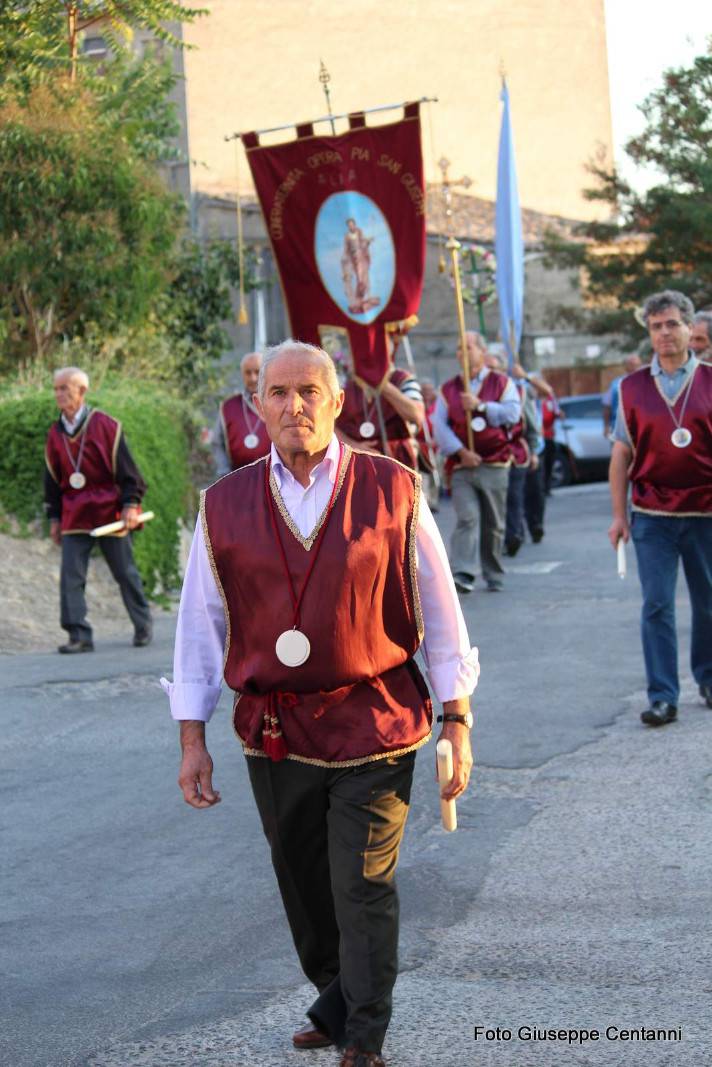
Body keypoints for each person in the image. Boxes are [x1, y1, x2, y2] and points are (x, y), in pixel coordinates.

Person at [162, 340, 478, 1067]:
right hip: (276, 731)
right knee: (306, 890)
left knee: (361, 881)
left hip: (377, 720)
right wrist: (191, 737)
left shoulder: (394, 488)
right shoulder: (224, 504)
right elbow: (199, 629)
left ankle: (364, 1032)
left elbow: (439, 607)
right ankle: (337, 993)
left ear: (339, 402)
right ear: (258, 405)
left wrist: (457, 719)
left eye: (310, 390)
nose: (294, 404)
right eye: (278, 391)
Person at [608, 290, 712, 727]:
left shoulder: (710, 380)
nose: (665, 333)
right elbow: (620, 455)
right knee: (656, 605)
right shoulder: (630, 388)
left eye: (672, 324)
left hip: (706, 511)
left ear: (690, 328)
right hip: (652, 514)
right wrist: (618, 515)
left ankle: (708, 680)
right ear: (649, 333)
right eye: (656, 326)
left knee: (708, 603)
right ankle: (663, 696)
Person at [44, 367, 152, 653]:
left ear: (82, 391)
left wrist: (130, 504)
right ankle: (79, 635)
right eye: (56, 389)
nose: (59, 394)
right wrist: (54, 518)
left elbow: (130, 473)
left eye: (64, 388)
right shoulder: (55, 433)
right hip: (74, 513)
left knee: (125, 572)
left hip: (109, 510)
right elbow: (52, 481)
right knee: (71, 576)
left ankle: (143, 625)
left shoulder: (107, 426)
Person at [433, 331, 521, 593]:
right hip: (462, 465)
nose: (463, 352)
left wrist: (481, 406)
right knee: (467, 517)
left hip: (494, 462)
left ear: (483, 352)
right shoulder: (448, 389)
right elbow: (439, 425)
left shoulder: (502, 383)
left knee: (493, 523)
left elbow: (512, 414)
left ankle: (493, 571)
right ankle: (463, 572)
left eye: (468, 347)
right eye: (459, 348)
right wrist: (461, 452)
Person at [336, 355, 425, 470]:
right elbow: (327, 423)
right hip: (354, 464)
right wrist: (353, 446)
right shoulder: (343, 383)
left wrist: (382, 383)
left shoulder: (401, 379)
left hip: (396, 464)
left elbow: (417, 415)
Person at [505, 364, 545, 554]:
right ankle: (514, 533)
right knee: (510, 496)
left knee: (530, 493)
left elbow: (547, 392)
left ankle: (534, 526)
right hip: (497, 455)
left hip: (525, 451)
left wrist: (534, 451)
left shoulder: (521, 389)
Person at [213, 351, 270, 475]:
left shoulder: (277, 402)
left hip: (276, 479)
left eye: (257, 372)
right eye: (248, 373)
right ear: (242, 374)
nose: (253, 378)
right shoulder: (228, 406)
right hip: (239, 479)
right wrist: (225, 474)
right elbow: (218, 443)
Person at [602, 354, 643, 439]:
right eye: (631, 364)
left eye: (637, 365)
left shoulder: (648, 382)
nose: (635, 367)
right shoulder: (616, 384)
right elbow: (607, 406)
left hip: (642, 429)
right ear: (626, 366)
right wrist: (606, 426)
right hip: (620, 430)